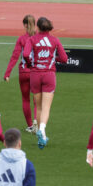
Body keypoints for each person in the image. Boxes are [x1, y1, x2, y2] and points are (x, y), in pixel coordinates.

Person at [22, 17, 68, 149]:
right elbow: (64, 58)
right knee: (46, 107)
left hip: (35, 74)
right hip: (49, 74)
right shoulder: (54, 40)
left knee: (39, 106)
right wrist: (53, 59)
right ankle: (42, 131)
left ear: (38, 27)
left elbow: (25, 54)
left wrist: (32, 63)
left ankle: (40, 132)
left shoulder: (32, 39)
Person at [4, 14, 37, 134]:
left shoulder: (22, 39)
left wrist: (7, 73)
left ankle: (30, 126)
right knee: (36, 100)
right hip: (36, 72)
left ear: (24, 25)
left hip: (23, 72)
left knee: (25, 99)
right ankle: (36, 123)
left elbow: (15, 56)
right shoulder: (39, 38)